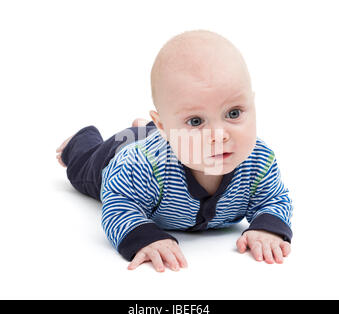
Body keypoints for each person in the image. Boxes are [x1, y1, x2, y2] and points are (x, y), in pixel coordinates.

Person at [56, 30, 293, 272]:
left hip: (170, 137)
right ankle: (80, 142)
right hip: (120, 152)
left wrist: (267, 227)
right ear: (163, 126)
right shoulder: (139, 166)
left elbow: (273, 199)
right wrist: (144, 236)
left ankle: (161, 128)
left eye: (233, 113)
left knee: (174, 133)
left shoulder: (259, 161)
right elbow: (120, 202)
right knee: (81, 167)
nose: (220, 135)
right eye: (196, 121)